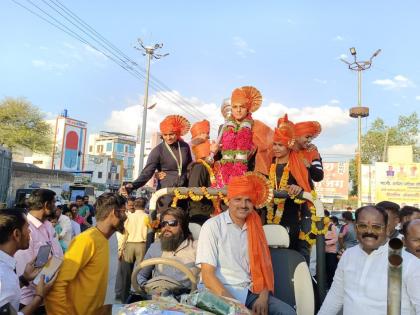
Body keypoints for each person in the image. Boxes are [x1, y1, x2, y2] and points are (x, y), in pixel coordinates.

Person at [196, 172, 296, 315]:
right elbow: (208, 277)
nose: (243, 205)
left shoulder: (256, 229)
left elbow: (263, 269)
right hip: (217, 292)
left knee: (287, 312)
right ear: (228, 201)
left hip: (249, 292)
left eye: (248, 200)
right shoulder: (212, 226)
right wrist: (238, 308)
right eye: (238, 199)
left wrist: (263, 297)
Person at [318, 206, 420, 315]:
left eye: (376, 227)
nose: (369, 231)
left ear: (386, 230)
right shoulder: (348, 255)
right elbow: (335, 296)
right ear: (355, 228)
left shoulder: (409, 263)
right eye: (362, 226)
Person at [45, 193, 127, 315]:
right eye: (124, 211)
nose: (126, 217)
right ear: (114, 212)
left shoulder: (106, 240)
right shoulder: (86, 240)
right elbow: (56, 286)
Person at [266, 114, 315, 262]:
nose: (276, 148)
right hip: (267, 219)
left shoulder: (297, 165)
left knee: (289, 259)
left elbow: (307, 188)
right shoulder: (268, 164)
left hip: (290, 220)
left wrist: (298, 188)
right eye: (274, 144)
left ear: (288, 145)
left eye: (280, 145)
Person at [122, 115, 192, 208]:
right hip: (166, 195)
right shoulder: (157, 151)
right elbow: (147, 173)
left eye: (171, 134)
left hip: (184, 193)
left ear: (177, 133)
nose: (168, 138)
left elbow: (190, 167)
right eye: (165, 135)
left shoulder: (185, 147)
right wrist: (133, 185)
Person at [14, 189, 63, 312]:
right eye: (54, 203)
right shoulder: (26, 229)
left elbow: (56, 255)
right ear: (46, 205)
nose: (56, 207)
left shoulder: (48, 225)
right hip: (30, 301)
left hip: (48, 296)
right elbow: (25, 269)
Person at [0, 209, 57, 315]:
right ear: (16, 234)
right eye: (27, 228)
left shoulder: (5, 270)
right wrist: (39, 297)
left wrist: (24, 279)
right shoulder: (4, 277)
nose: (30, 232)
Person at [215, 86, 273, 187]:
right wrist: (216, 151)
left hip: (249, 176)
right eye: (235, 107)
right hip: (225, 178)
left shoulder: (257, 126)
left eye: (242, 107)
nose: (238, 110)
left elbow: (274, 145)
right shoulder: (223, 127)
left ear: (248, 108)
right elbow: (220, 156)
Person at [136, 207, 199, 297]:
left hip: (185, 299)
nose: (167, 227)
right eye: (163, 224)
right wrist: (147, 288)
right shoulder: (156, 247)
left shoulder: (197, 248)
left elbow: (204, 281)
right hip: (157, 297)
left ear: (183, 226)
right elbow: (141, 274)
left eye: (172, 223)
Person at [118, 197, 149, 302]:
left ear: (135, 206)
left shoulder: (129, 217)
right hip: (142, 245)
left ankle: (124, 298)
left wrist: (121, 249)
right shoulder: (147, 217)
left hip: (129, 245)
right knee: (140, 273)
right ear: (145, 206)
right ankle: (137, 298)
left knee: (126, 274)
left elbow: (124, 233)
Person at [188, 119, 218, 225]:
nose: (206, 136)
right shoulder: (199, 166)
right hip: (199, 212)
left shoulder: (204, 165)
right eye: (203, 133)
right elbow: (195, 190)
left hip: (206, 210)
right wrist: (212, 153)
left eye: (207, 133)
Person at [324, 210, 338, 289]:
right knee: (324, 268)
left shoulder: (331, 226)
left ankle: (331, 285)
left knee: (330, 268)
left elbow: (336, 239)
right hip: (322, 251)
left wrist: (325, 243)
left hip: (331, 251)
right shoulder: (319, 225)